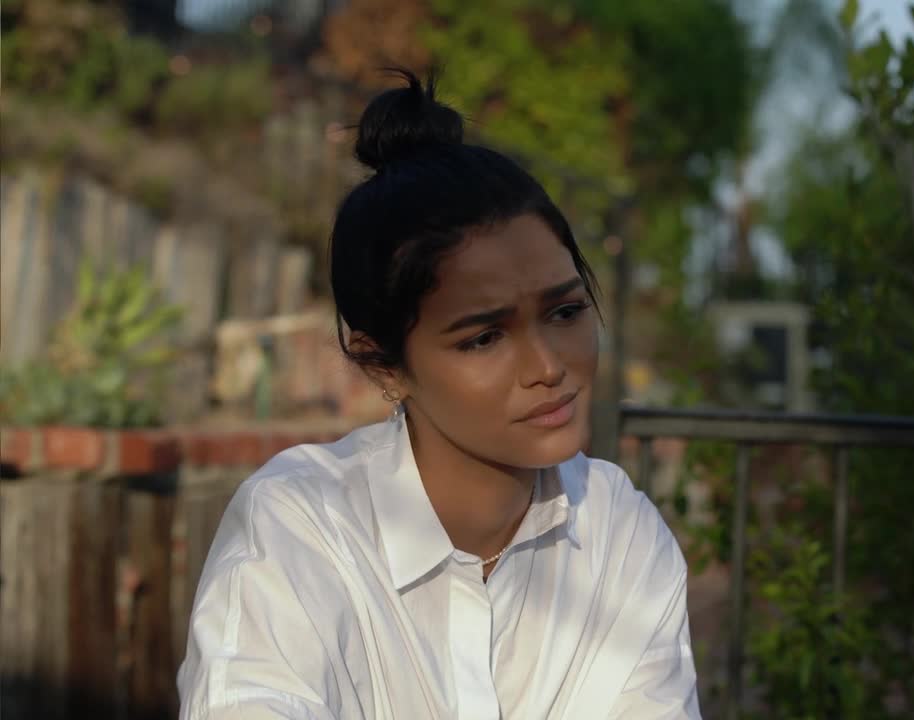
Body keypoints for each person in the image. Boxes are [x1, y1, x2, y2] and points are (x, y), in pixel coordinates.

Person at [177, 69, 699, 719]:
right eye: (483, 338)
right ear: (384, 365)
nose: (547, 366)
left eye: (565, 312)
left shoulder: (618, 532)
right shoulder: (302, 528)